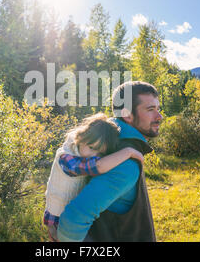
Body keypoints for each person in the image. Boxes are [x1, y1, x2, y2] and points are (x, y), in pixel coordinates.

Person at [57, 81, 163, 242]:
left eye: (158, 109)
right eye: (150, 109)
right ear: (127, 114)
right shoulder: (125, 161)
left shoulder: (107, 139)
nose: (159, 116)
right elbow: (73, 220)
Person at [44, 113, 145, 241]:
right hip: (59, 219)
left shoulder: (80, 149)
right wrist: (128, 152)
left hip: (66, 215)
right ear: (80, 137)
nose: (94, 155)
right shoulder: (66, 158)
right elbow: (99, 166)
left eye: (100, 153)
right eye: (92, 148)